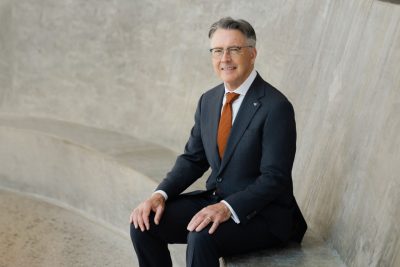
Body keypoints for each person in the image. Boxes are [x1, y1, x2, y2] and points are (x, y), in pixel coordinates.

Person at [129, 17, 307, 267]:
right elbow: (193, 158)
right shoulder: (209, 101)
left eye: (234, 49)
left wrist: (226, 207)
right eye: (217, 50)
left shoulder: (275, 106)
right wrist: (160, 194)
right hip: (216, 198)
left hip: (264, 214)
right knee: (144, 224)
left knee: (202, 236)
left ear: (252, 53)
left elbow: (274, 178)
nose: (225, 58)